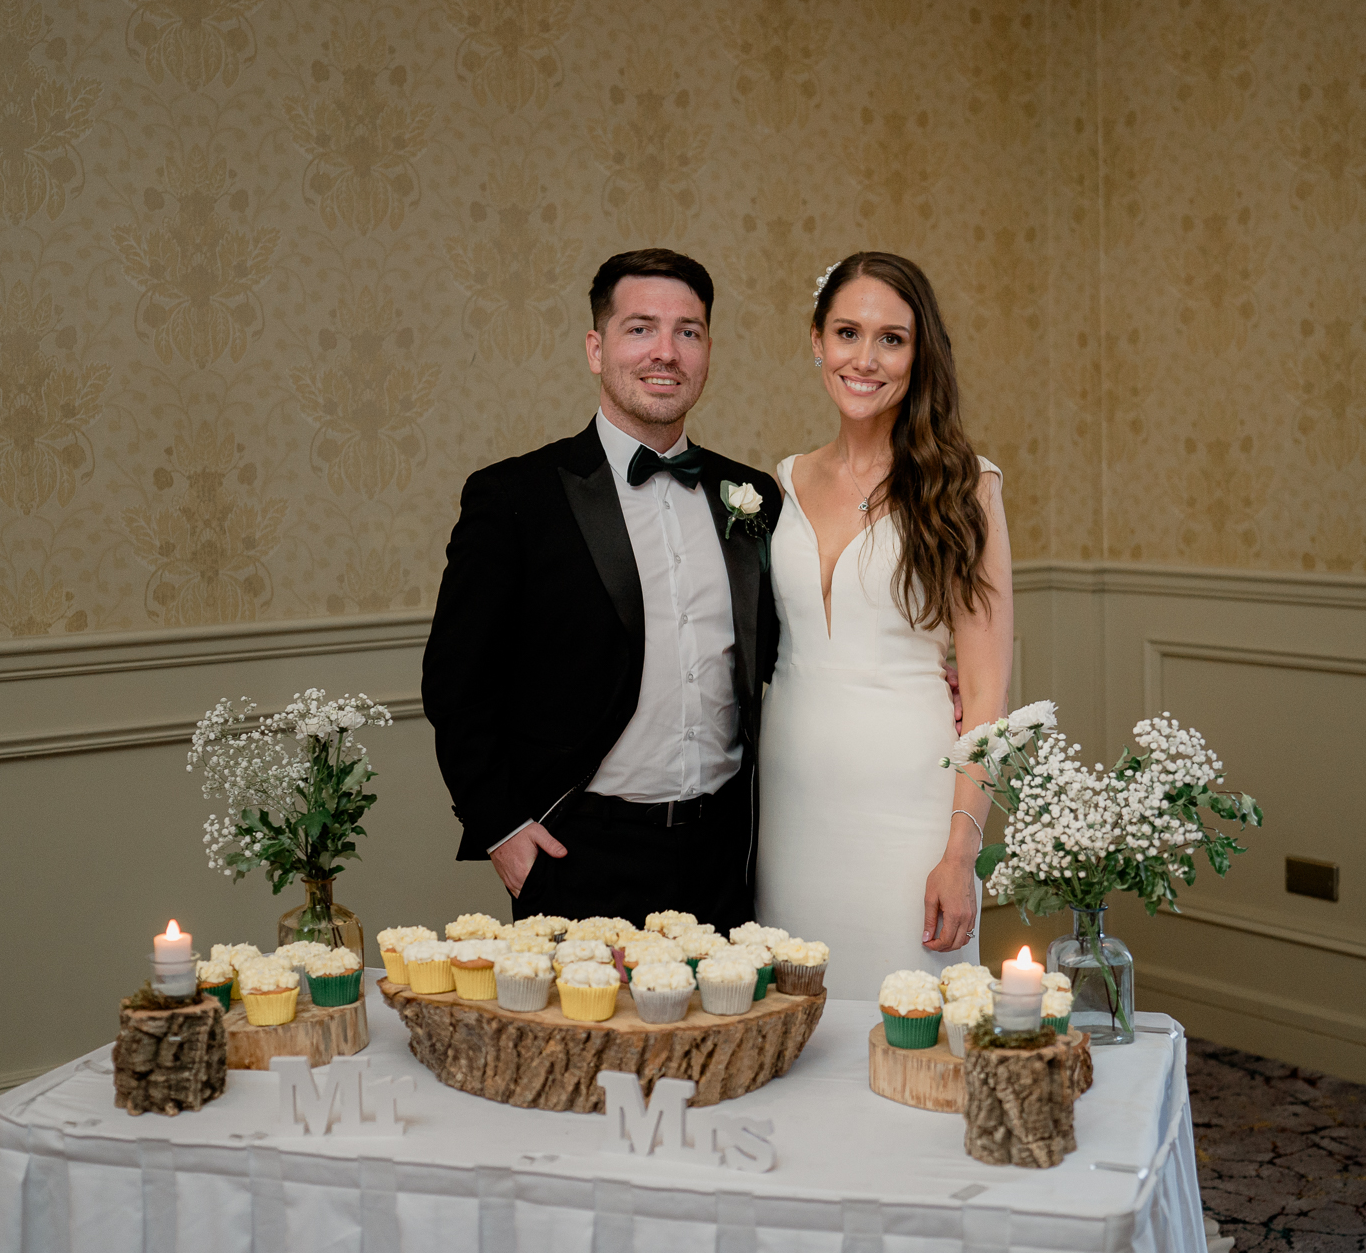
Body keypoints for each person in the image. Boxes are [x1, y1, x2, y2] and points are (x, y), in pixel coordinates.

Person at [423, 249, 781, 929]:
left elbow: (785, 653)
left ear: (707, 352)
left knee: (726, 1039)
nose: (666, 352)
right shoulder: (514, 497)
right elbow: (456, 683)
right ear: (597, 348)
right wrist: (500, 829)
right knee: (580, 1040)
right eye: (640, 328)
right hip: (577, 855)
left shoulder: (753, 496)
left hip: (723, 857)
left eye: (689, 332)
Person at [756, 252, 1014, 1000]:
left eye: (891, 339)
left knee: (913, 1028)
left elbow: (989, 689)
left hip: (910, 808)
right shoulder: (779, 483)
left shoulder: (966, 485)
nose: (865, 359)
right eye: (847, 333)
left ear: (920, 351)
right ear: (816, 339)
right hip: (790, 807)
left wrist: (961, 851)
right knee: (793, 1028)